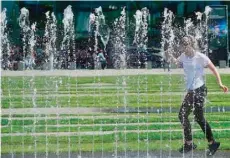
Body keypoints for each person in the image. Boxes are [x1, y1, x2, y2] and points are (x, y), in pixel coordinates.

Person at [166, 35, 228, 155]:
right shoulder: (183, 56)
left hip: (199, 90)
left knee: (186, 115)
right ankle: (209, 143)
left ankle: (191, 144)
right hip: (191, 91)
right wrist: (168, 54)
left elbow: (214, 69)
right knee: (193, 117)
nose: (185, 47)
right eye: (183, 45)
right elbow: (177, 63)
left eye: (186, 44)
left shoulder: (200, 57)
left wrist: (220, 83)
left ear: (191, 44)